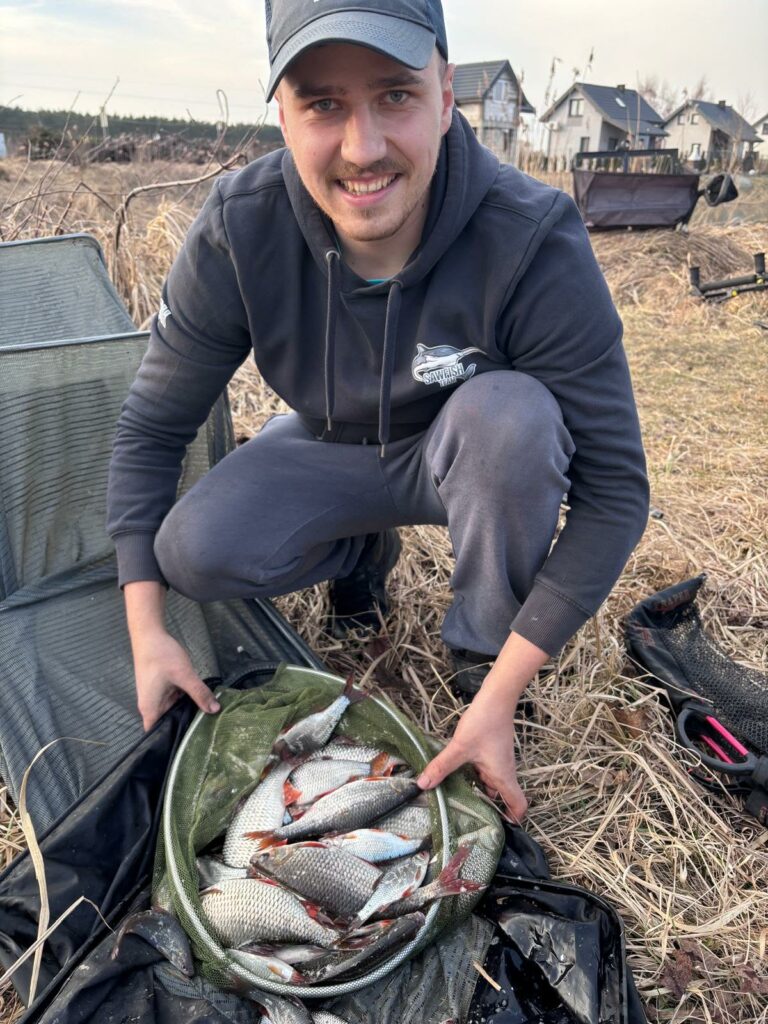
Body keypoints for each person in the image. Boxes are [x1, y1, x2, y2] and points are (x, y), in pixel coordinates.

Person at [107, 0, 649, 822]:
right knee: (191, 550)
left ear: (445, 93)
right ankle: (361, 553)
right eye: (323, 103)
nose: (362, 149)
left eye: (395, 94)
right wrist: (148, 633)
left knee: (512, 419)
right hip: (328, 443)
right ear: (283, 115)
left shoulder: (531, 235)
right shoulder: (240, 226)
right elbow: (152, 427)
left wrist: (505, 688)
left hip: (471, 453)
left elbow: (615, 492)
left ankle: (480, 658)